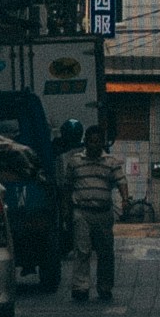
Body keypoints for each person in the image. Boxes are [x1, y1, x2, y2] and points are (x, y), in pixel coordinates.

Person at [62, 121, 122, 304]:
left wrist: (125, 200)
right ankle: (80, 287)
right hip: (82, 212)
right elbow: (67, 187)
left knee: (106, 252)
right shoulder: (75, 162)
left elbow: (121, 181)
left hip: (103, 212)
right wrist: (66, 210)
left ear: (102, 143)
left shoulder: (111, 162)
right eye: (91, 141)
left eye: (98, 141)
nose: (95, 144)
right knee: (82, 250)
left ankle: (105, 287)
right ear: (86, 142)